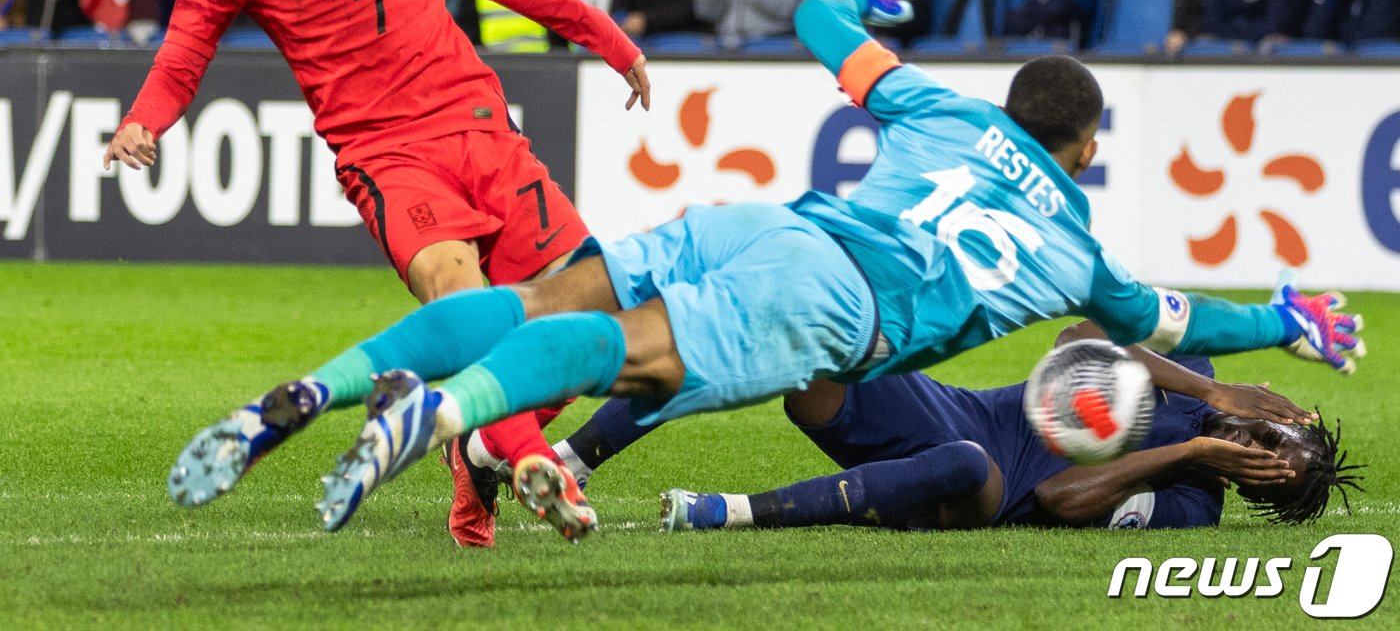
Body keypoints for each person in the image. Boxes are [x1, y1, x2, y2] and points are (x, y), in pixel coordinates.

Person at [167, 0, 1363, 543]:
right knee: (621, 358)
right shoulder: (1075, 259)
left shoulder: (940, 109)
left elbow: (818, 23)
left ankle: (353, 392)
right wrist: (1284, 317)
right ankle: (434, 423)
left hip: (773, 217)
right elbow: (1170, 325)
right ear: (1087, 145)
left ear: (1013, 108)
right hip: (832, 301)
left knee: (534, 305)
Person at [104, 0, 651, 551]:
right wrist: (144, 121)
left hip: (481, 126)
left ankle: (474, 441)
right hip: (389, 158)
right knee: (464, 305)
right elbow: (183, 53)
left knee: (599, 319)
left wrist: (602, 33)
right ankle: (532, 457)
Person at [556, 323, 1357, 533]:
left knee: (967, 463)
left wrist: (1185, 453)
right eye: (1269, 428)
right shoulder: (1199, 384)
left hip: (992, 488)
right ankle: (574, 456)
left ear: (1251, 479)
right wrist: (1214, 392)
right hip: (958, 406)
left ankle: (729, 511)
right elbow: (1077, 339)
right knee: (797, 343)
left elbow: (1059, 502)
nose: (1250, 435)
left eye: (1258, 454)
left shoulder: (1190, 504)